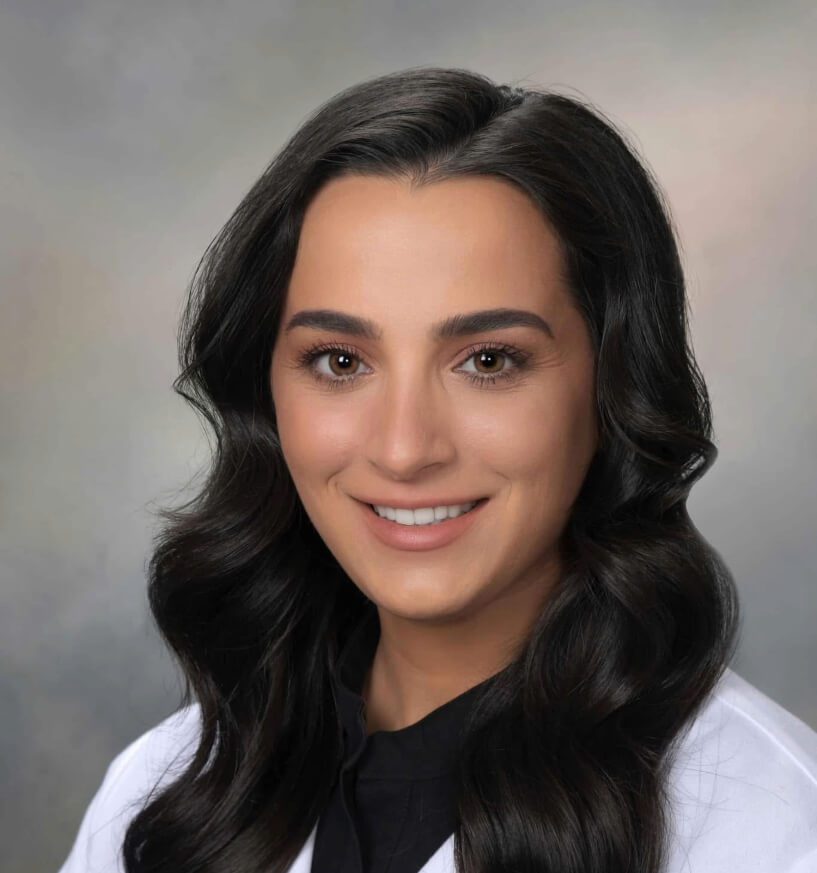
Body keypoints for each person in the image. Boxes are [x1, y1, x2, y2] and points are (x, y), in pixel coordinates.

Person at [57, 67, 817, 873]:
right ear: (264, 390)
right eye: (340, 359)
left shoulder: (770, 825)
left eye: (488, 360)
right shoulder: (161, 794)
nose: (403, 447)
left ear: (612, 384)